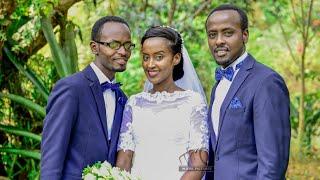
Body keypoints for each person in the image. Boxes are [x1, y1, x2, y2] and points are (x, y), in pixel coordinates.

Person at [40, 16, 135, 179]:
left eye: (128, 45)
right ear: (94, 47)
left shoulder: (123, 99)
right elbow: (52, 157)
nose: (123, 51)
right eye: (114, 44)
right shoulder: (71, 88)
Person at [204, 4, 291, 180]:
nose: (219, 40)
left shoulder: (266, 82)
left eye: (228, 33)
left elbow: (273, 163)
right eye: (212, 34)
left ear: (245, 35)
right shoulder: (218, 86)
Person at [116, 26, 209, 180]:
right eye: (146, 57)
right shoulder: (134, 103)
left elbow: (198, 164)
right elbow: (124, 160)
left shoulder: (193, 102)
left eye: (159, 57)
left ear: (176, 58)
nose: (150, 64)